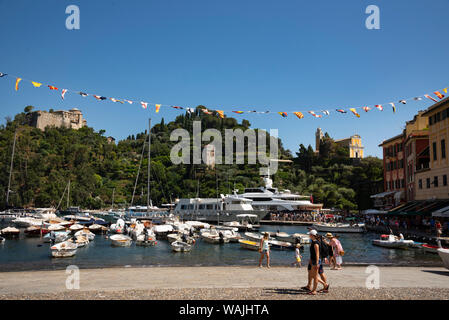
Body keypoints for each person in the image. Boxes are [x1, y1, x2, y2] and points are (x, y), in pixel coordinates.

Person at [301, 230, 329, 295]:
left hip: (316, 261)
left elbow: (317, 254)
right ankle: (325, 285)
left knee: (315, 276)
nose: (309, 235)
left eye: (309, 234)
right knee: (312, 275)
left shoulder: (316, 243)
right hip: (313, 260)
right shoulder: (313, 242)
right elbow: (313, 253)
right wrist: (310, 260)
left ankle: (314, 290)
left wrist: (317, 263)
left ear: (312, 235)